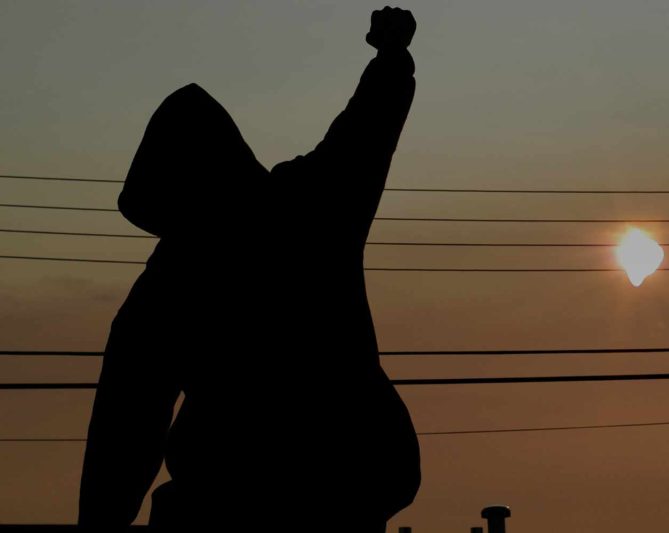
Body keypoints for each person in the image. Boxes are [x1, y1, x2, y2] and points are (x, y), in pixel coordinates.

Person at [79, 7, 419, 532]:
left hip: (301, 478)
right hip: (350, 472)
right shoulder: (304, 205)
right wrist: (391, 58)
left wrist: (392, 61)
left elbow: (126, 428)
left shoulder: (182, 274)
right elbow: (365, 133)